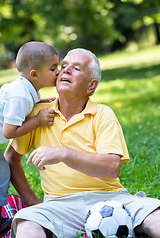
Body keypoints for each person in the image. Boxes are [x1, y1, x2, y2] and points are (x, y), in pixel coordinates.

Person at [5, 48, 160, 238]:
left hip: (111, 198)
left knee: (155, 215)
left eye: (76, 68)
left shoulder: (102, 113)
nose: (66, 70)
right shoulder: (38, 114)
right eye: (63, 66)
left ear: (91, 86)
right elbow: (11, 158)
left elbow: (111, 167)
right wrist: (31, 200)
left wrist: (62, 153)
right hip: (58, 204)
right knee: (27, 224)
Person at [0, 41, 59, 236]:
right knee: (1, 176)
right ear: (34, 74)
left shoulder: (28, 90)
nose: (58, 72)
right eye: (53, 68)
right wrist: (37, 121)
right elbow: (9, 132)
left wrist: (40, 103)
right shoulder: (21, 96)